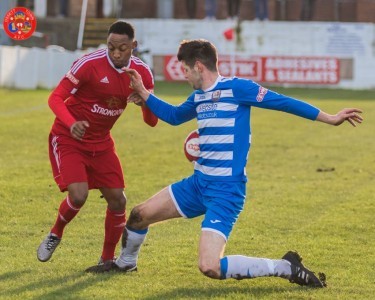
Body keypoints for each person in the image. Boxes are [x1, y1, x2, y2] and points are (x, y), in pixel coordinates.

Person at [89, 39, 363, 287]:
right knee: (138, 216)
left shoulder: (237, 88)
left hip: (225, 191)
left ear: (198, 66)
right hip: (197, 185)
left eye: (185, 70)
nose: (183, 75)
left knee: (209, 266)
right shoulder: (198, 97)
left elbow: (283, 103)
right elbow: (173, 116)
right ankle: (125, 263)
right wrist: (144, 93)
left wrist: (329, 117)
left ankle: (284, 267)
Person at [36, 21, 158, 270]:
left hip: (101, 143)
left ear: (133, 46)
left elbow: (152, 122)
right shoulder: (89, 64)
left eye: (122, 48)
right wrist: (71, 123)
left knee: (118, 201)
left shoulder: (142, 74)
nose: (115, 53)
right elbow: (55, 98)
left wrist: (143, 99)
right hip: (70, 137)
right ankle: (55, 233)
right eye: (111, 47)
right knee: (78, 195)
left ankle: (106, 259)